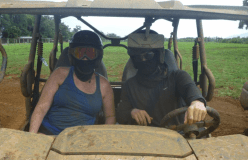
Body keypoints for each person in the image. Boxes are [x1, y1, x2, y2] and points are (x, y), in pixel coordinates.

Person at [29, 30, 116, 135]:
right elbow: (41, 107)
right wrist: (32, 136)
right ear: (71, 55)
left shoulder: (104, 85)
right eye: (80, 53)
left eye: (90, 53)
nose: (85, 58)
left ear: (98, 56)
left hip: (83, 139)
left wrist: (102, 138)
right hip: (49, 133)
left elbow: (110, 116)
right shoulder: (59, 74)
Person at [116, 30, 207, 127]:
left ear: (160, 56)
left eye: (148, 55)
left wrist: (197, 102)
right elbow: (121, 114)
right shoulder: (129, 85)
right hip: (145, 137)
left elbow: (190, 89)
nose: (143, 60)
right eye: (137, 57)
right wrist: (132, 112)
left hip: (178, 135)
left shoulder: (178, 77)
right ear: (132, 59)